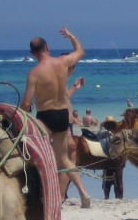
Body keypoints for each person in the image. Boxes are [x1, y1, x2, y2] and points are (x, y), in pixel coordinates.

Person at [20, 27, 92, 208]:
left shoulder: (34, 73)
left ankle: (45, 192)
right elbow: (81, 51)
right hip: (62, 115)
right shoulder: (62, 62)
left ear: (32, 53)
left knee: (37, 155)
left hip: (44, 117)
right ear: (47, 47)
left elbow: (27, 103)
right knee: (65, 159)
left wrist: (21, 115)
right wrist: (71, 36)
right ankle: (84, 193)